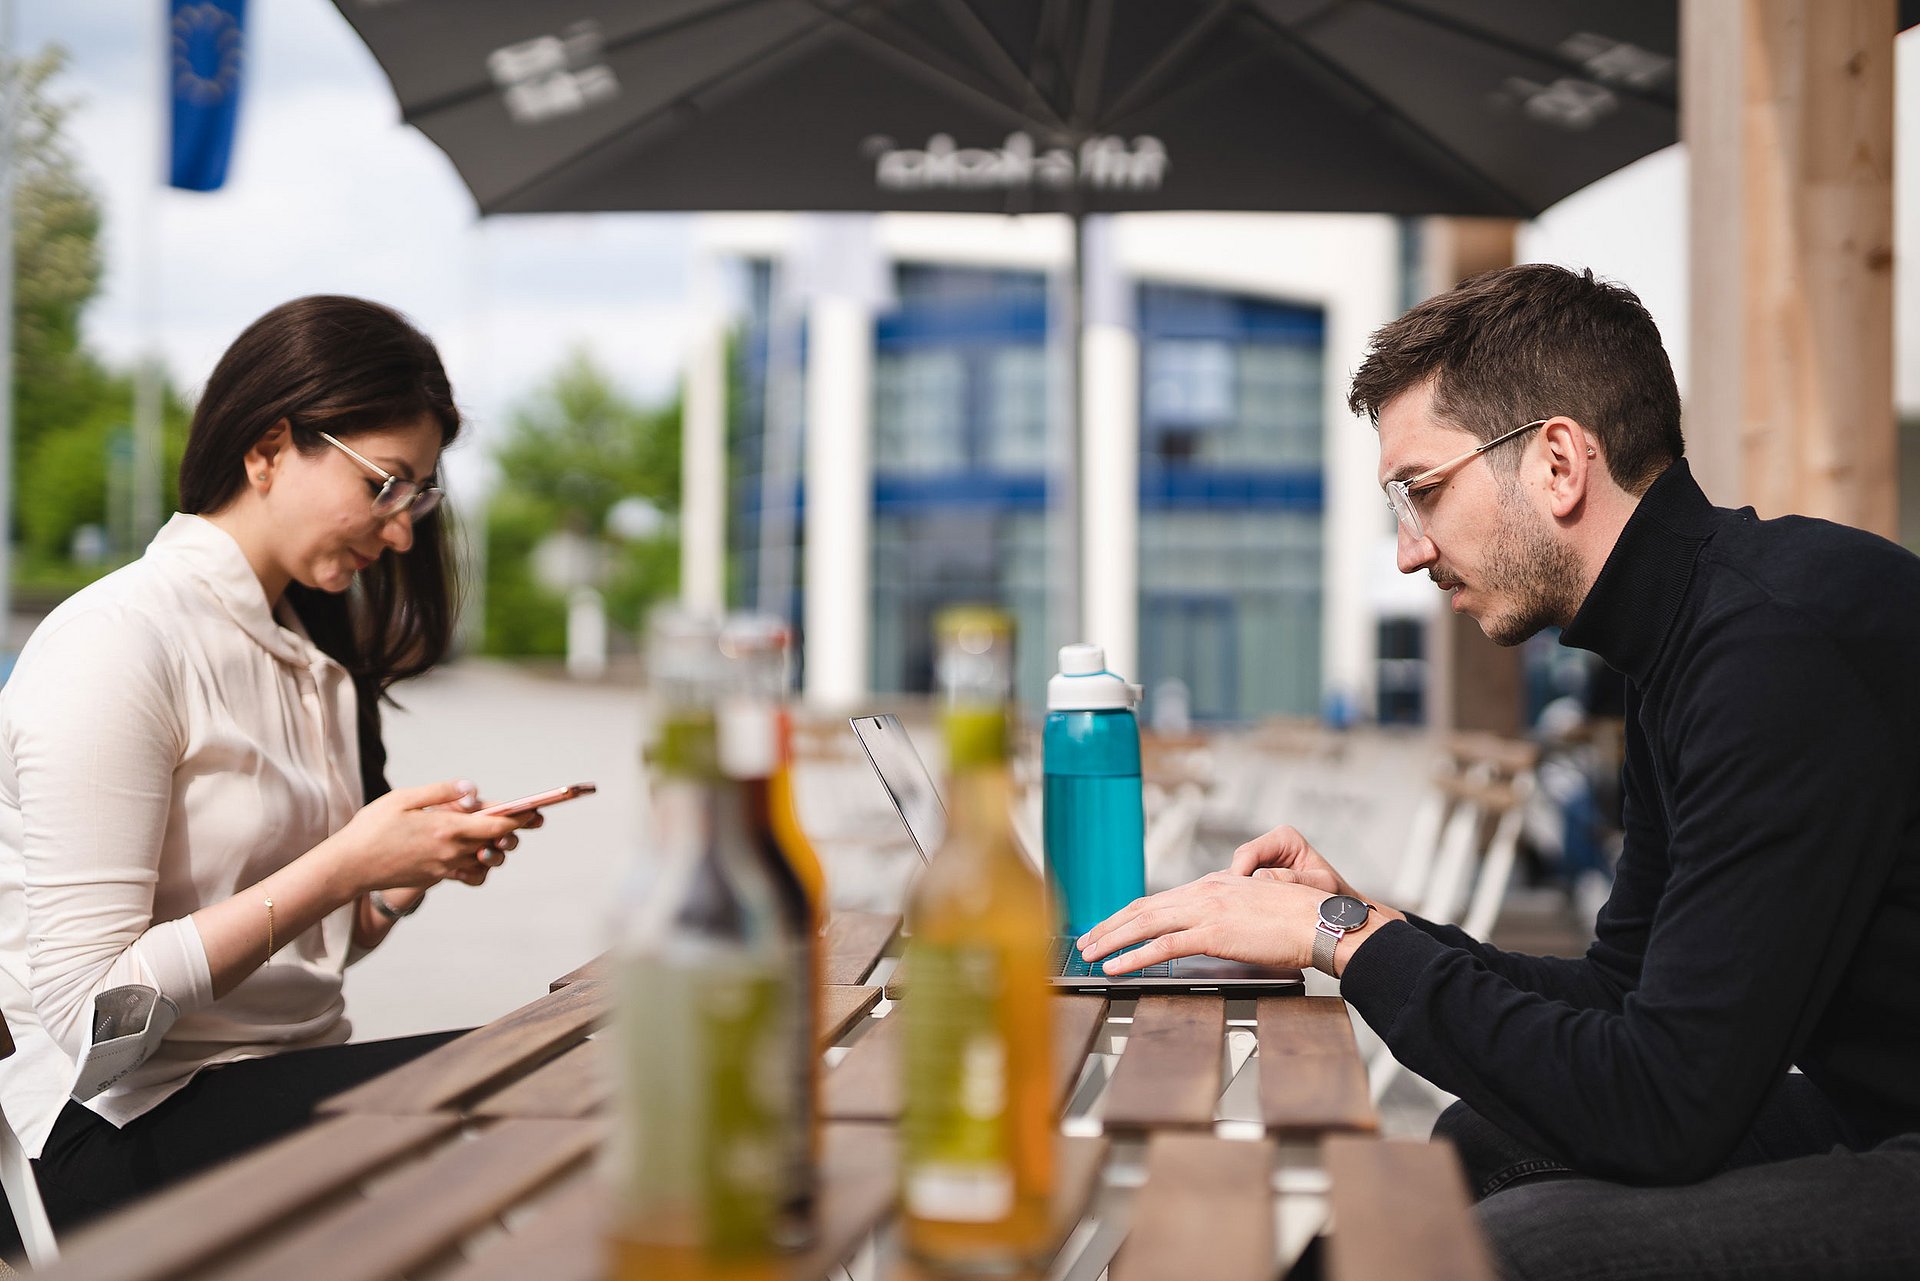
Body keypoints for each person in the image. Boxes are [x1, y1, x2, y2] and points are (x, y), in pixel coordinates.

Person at [1078, 264, 1920, 1279]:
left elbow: (1665, 1110)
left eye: (1422, 490)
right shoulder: (1688, 643)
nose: (1407, 551)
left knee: (1522, 1250)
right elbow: (1623, 992)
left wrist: (1345, 944)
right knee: (1486, 1150)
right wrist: (1363, 922)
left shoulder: (1777, 652)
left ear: (1558, 461)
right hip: (1877, 1113)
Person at [0, 296, 543, 1254]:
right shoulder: (119, 641)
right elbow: (93, 1021)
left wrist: (392, 882)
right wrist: (342, 864)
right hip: (116, 1123)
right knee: (538, 1097)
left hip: (276, 1085)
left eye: (418, 497)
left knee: (566, 1073)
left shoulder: (313, 664)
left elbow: (296, 971)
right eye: (386, 483)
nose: (403, 530)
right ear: (268, 450)